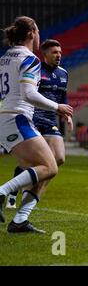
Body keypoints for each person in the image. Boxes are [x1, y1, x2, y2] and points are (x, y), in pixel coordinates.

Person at [0, 16, 73, 233]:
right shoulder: (30, 59)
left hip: (6, 118)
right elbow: (29, 93)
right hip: (18, 117)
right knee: (50, 167)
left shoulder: (5, 58)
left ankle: (20, 220)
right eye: (38, 30)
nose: (39, 34)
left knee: (46, 167)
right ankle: (3, 192)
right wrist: (57, 107)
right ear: (32, 33)